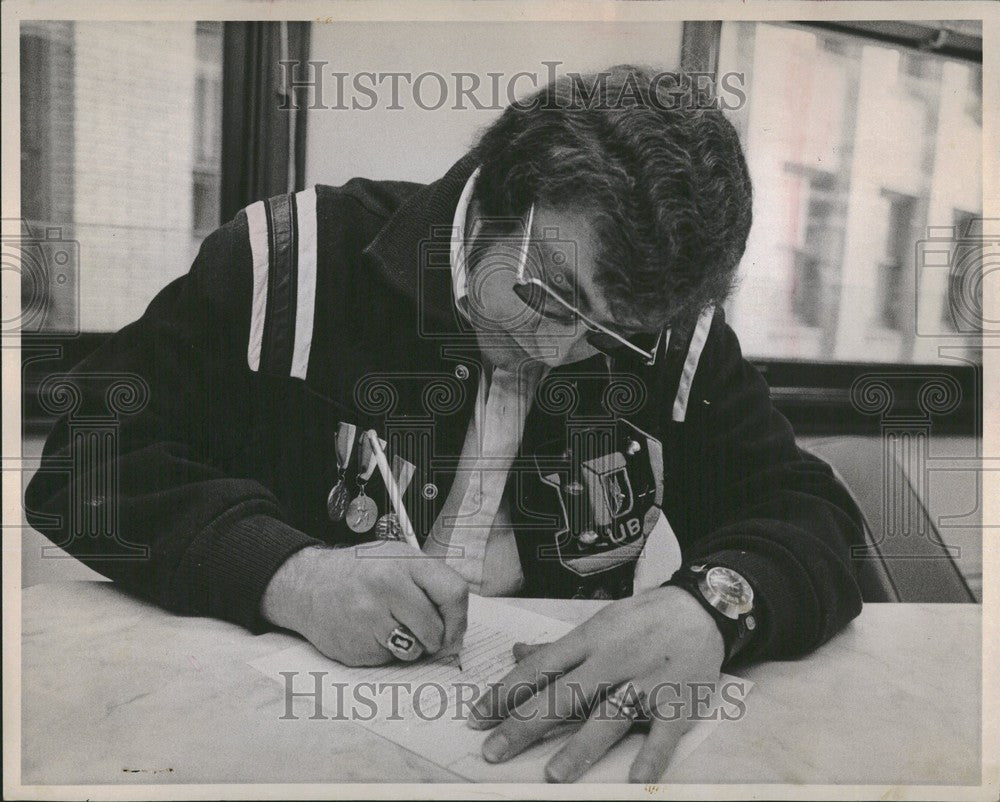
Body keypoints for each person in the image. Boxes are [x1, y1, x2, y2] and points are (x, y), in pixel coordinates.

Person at [25, 64, 865, 783]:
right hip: (271, 747)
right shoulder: (292, 260)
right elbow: (84, 463)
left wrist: (710, 608)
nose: (554, 347)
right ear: (500, 187)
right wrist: (292, 573)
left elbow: (813, 516)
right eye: (550, 292)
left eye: (609, 334)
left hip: (538, 757)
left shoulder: (671, 341)